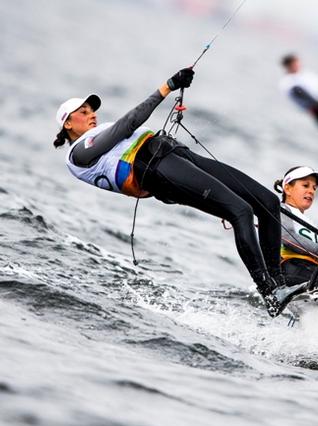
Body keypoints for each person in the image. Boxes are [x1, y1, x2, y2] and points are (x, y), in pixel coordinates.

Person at [53, 67, 305, 317]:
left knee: (268, 202)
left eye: (92, 110)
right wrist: (168, 86)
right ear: (67, 123)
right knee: (241, 211)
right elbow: (127, 124)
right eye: (83, 112)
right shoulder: (79, 153)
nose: (92, 115)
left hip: (175, 155)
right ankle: (269, 293)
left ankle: (280, 283)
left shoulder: (94, 138)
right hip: (159, 170)